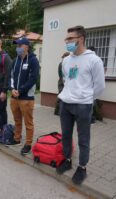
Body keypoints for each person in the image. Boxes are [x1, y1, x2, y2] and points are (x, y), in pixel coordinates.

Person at [56, 26, 105, 185]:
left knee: (83, 139)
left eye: (70, 38)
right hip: (65, 104)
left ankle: (82, 167)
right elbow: (66, 80)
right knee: (66, 135)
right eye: (66, 38)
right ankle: (68, 159)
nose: (67, 41)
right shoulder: (66, 60)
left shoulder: (94, 60)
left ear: (81, 39)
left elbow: (99, 86)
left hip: (83, 106)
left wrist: (87, 98)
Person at [9, 37, 40, 155]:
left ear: (26, 47)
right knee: (17, 120)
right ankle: (17, 139)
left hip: (26, 98)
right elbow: (11, 76)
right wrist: (12, 89)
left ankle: (28, 144)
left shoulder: (33, 60)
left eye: (20, 46)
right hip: (14, 97)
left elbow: (33, 79)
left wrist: (20, 90)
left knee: (28, 123)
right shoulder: (15, 60)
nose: (17, 48)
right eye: (17, 46)